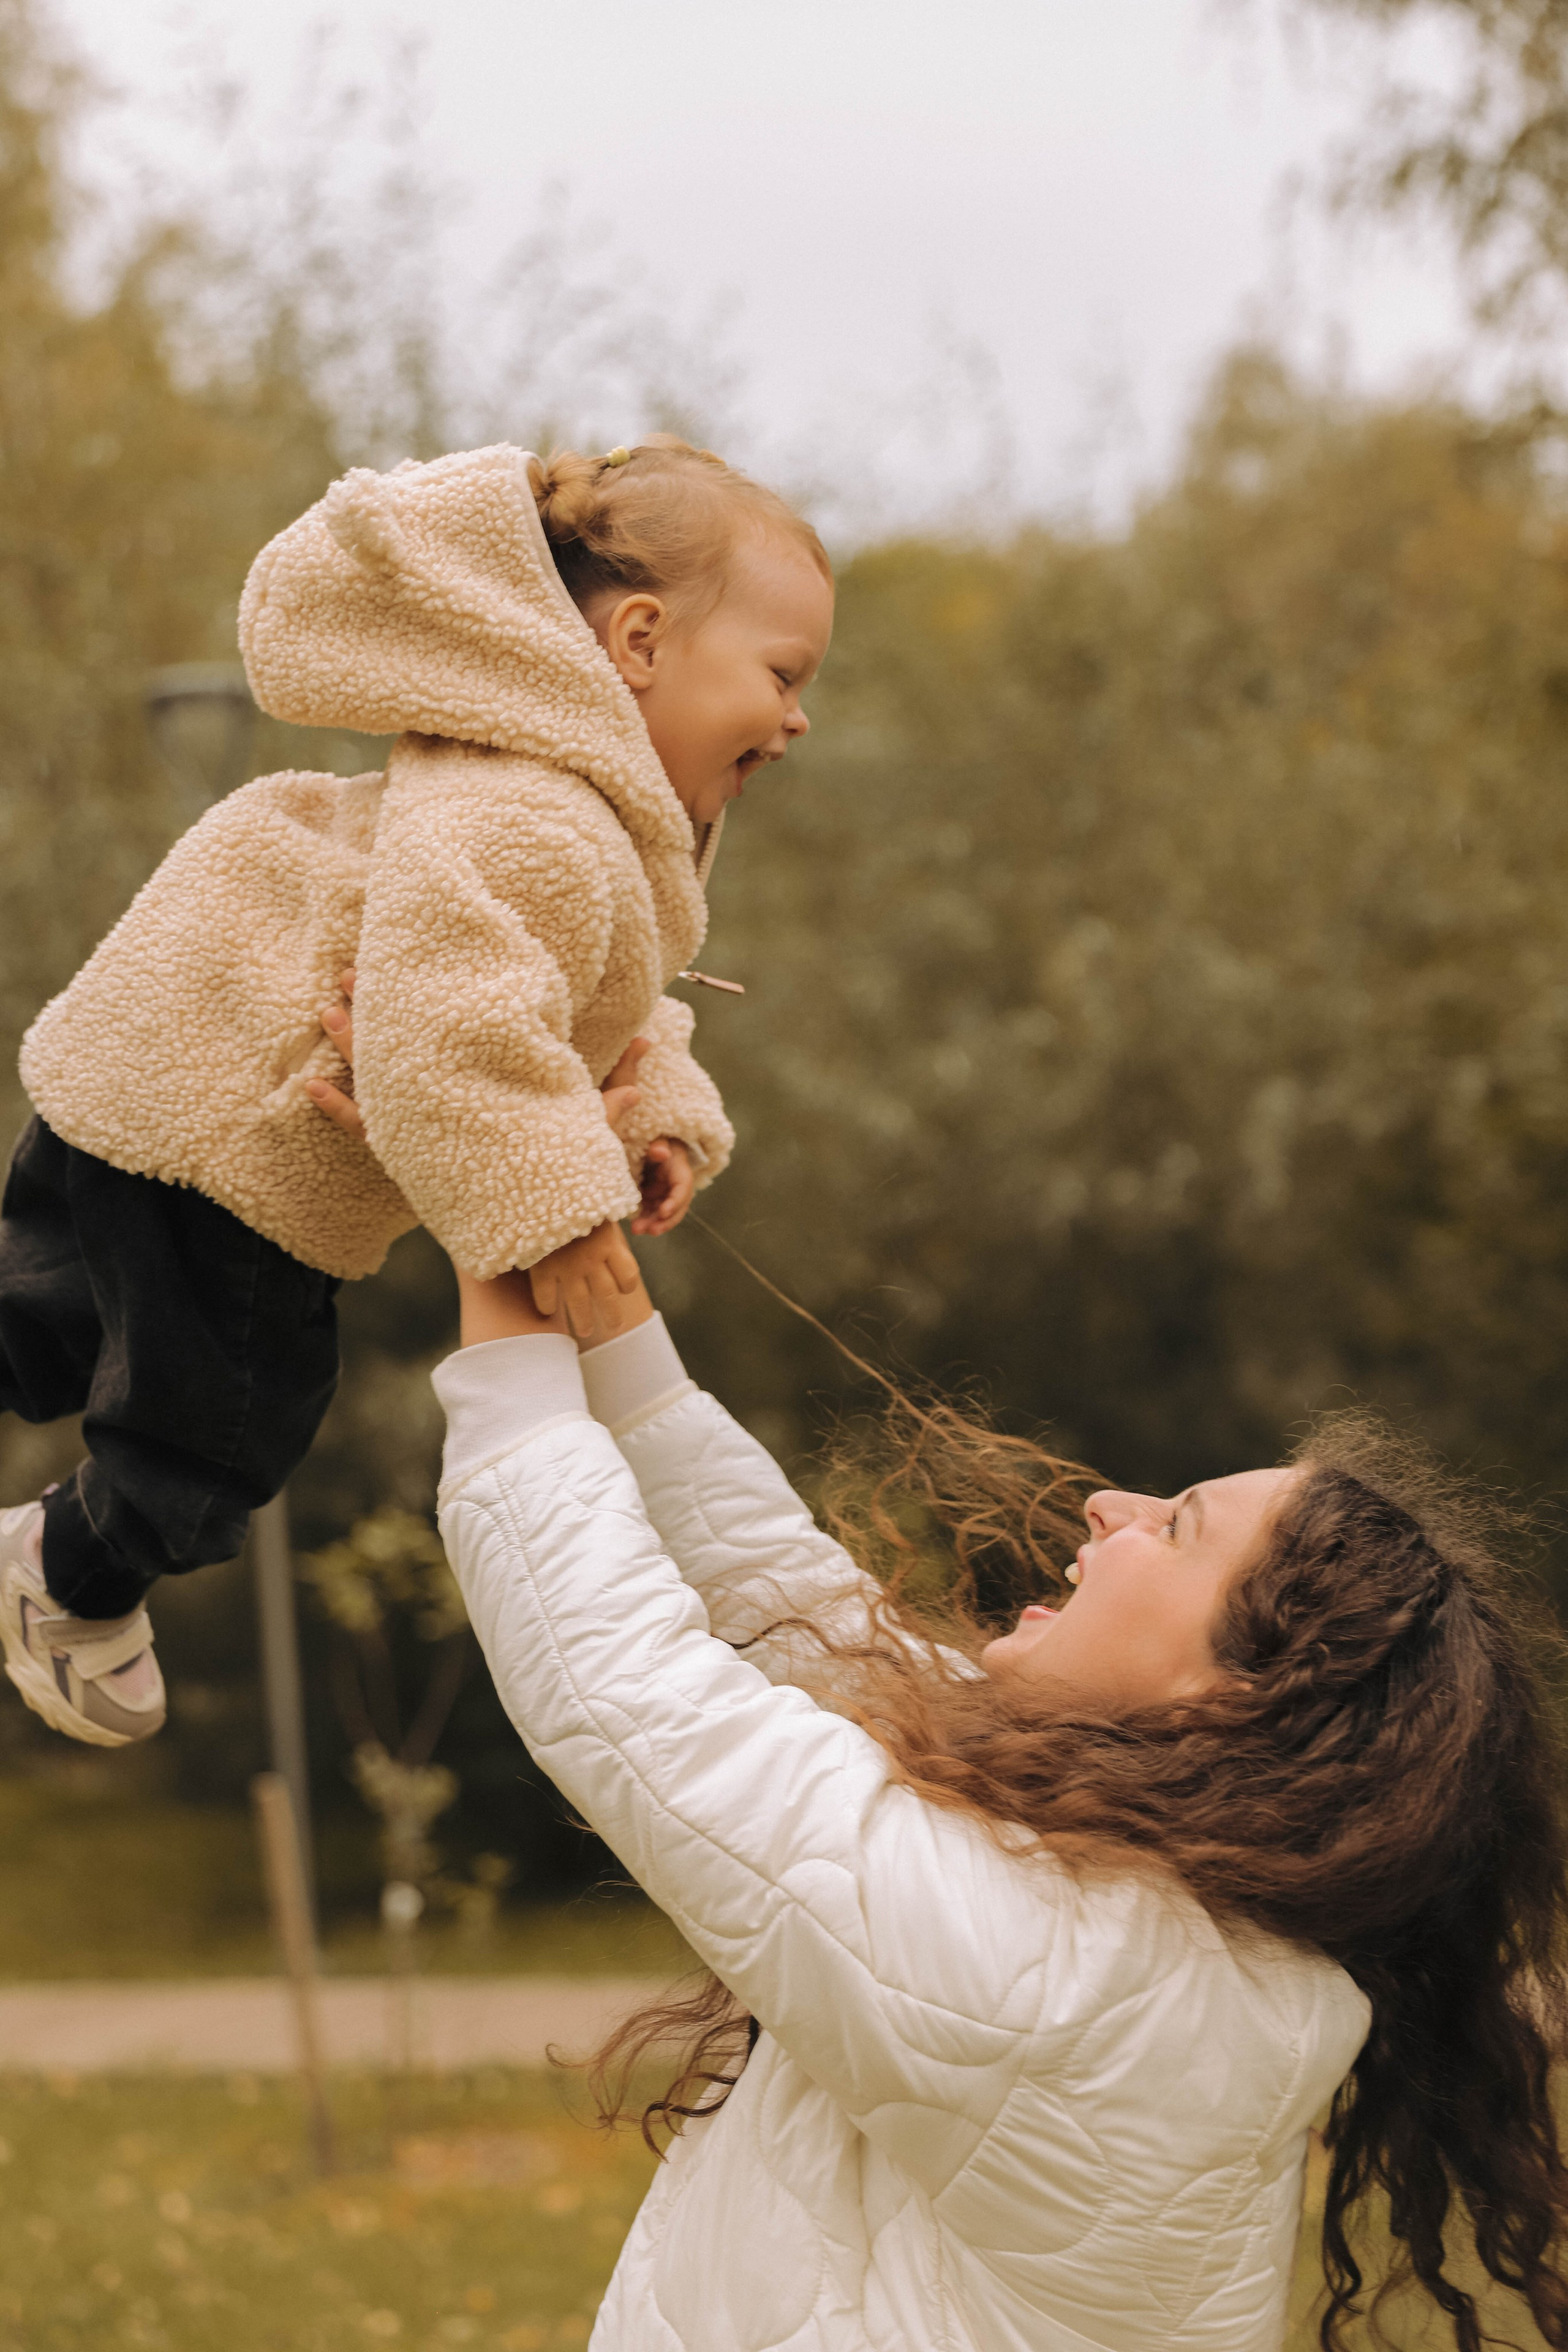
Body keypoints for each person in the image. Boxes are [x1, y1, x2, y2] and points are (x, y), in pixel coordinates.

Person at [418, 1245, 1568, 2352]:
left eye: (1175, 1528)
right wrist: (606, 1315)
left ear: (1229, 1701)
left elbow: (634, 1696)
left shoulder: (1076, 1984)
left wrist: (494, 1254)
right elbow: (798, 1614)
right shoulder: (1136, 1894)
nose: (1110, 1504)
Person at [0, 437, 834, 1749]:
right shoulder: (538, 816)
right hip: (240, 1156)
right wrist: (558, 1224)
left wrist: (655, 1113)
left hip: (145, 1080)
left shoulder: (558, 809)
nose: (796, 719)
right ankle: (59, 1575)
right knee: (219, 1436)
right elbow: (450, 1036)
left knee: (40, 1320)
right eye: (782, 675)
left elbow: (603, 1005)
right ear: (638, 640)